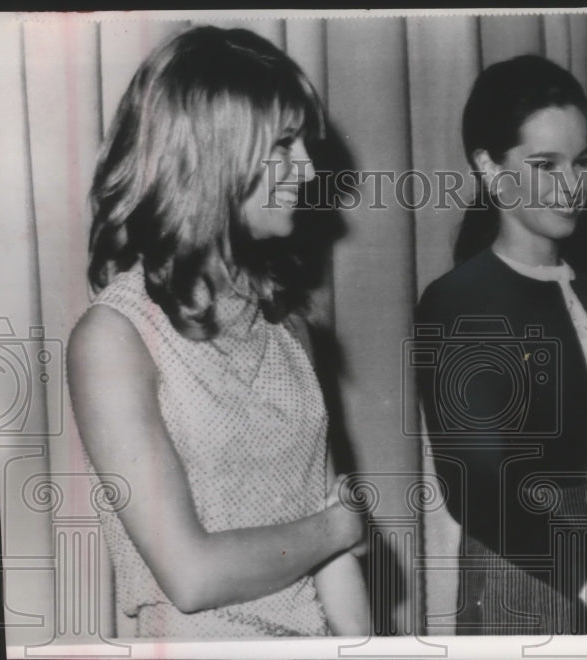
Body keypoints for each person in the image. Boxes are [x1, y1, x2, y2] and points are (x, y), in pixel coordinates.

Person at [67, 26, 368, 638]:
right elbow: (192, 575)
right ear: (210, 155)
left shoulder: (289, 333)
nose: (308, 169)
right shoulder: (115, 338)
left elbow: (337, 568)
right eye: (284, 145)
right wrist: (338, 528)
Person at [414, 55, 587, 635]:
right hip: (525, 580)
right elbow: (477, 489)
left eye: (584, 162)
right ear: (490, 166)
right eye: (546, 165)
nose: (573, 186)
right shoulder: (459, 301)